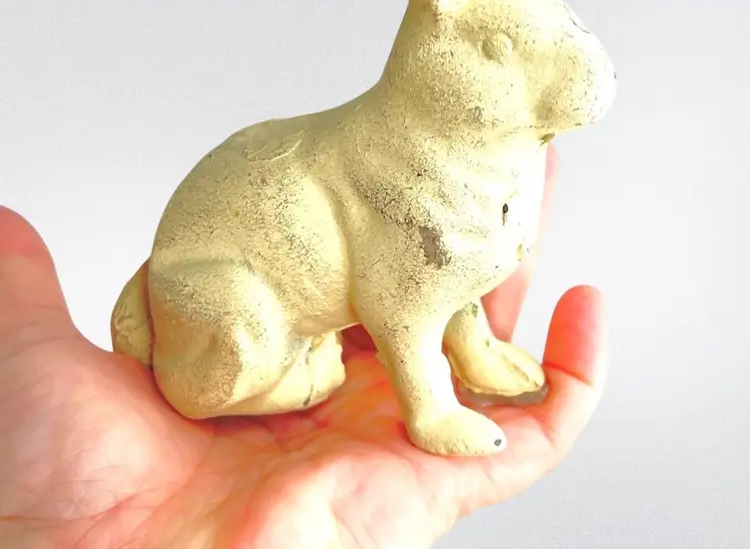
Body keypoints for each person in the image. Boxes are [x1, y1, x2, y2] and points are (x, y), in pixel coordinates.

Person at [0, 146, 607, 548]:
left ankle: (469, 350)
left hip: (261, 286)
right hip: (225, 311)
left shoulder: (428, 173)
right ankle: (422, 400)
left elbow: (426, 273)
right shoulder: (393, 162)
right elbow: (403, 299)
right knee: (266, 327)